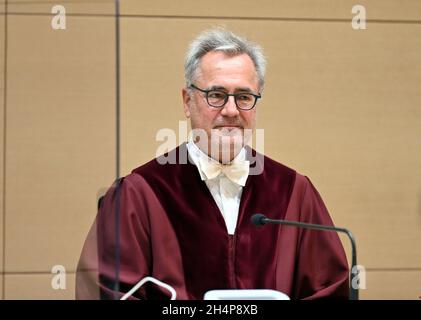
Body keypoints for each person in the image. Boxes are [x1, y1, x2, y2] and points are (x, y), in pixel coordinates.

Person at [76, 27, 349, 300]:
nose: (231, 111)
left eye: (244, 97)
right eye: (216, 95)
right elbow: (108, 294)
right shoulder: (139, 194)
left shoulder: (294, 193)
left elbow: (330, 289)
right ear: (187, 101)